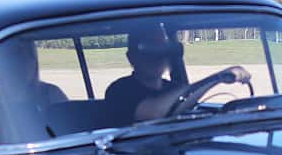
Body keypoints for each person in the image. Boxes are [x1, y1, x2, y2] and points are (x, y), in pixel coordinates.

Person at [101, 26, 251, 125]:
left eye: (164, 50)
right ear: (131, 57)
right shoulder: (119, 91)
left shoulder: (174, 88)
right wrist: (217, 78)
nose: (159, 57)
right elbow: (154, 113)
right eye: (150, 50)